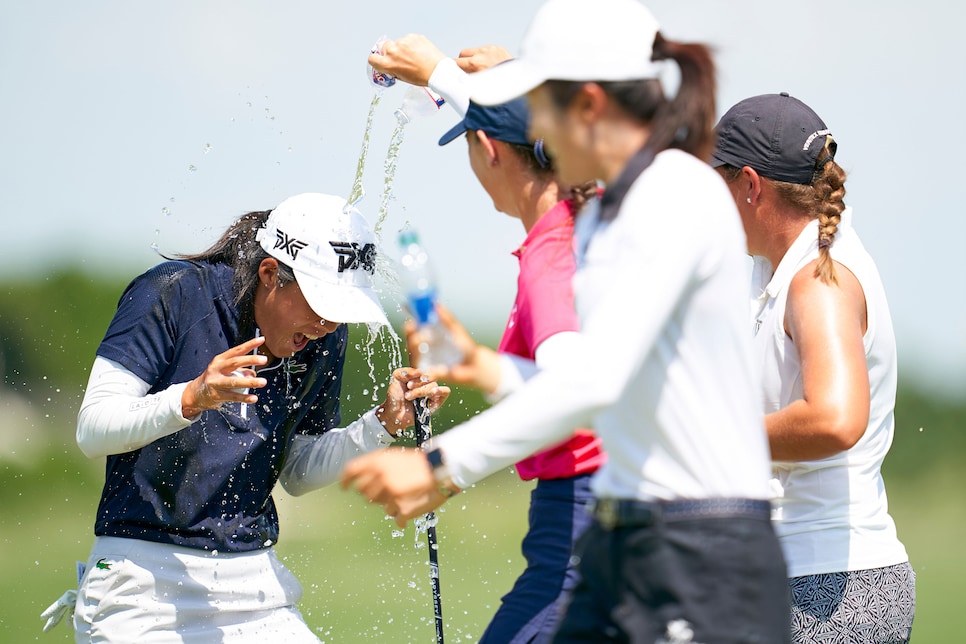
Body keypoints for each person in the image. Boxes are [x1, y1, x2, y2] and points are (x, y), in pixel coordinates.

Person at [343, 1, 791, 642]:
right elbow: (589, 383)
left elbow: (593, 383)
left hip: (702, 552)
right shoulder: (615, 218)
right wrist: (488, 366)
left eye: (542, 111)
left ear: (586, 106)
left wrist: (441, 464)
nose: (539, 136)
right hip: (630, 536)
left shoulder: (672, 197)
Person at [69, 192, 449, 642]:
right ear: (270, 274)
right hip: (139, 584)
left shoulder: (319, 337)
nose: (328, 325)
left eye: (340, 312)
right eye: (322, 305)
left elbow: (297, 471)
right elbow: (93, 429)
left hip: (255, 585)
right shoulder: (172, 292)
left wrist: (382, 423)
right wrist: (192, 397)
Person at [371, 36, 604, 643]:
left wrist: (443, 468)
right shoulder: (598, 217)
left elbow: (569, 392)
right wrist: (468, 78)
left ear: (491, 151)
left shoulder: (552, 257)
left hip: (580, 523)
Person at [711, 93, 916, 642]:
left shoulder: (817, 281)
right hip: (810, 581)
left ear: (750, 186)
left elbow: (835, 419)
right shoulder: (786, 265)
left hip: (829, 593)